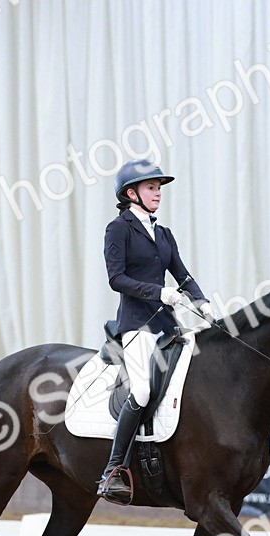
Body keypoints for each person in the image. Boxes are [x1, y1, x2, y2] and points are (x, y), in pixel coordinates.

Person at [96, 159, 215, 503]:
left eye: (159, 188)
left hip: (167, 325)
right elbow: (116, 278)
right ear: (130, 193)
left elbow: (182, 273)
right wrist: (158, 292)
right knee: (144, 391)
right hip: (137, 325)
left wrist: (202, 301)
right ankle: (113, 469)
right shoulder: (118, 229)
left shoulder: (163, 234)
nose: (157, 193)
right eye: (151, 187)